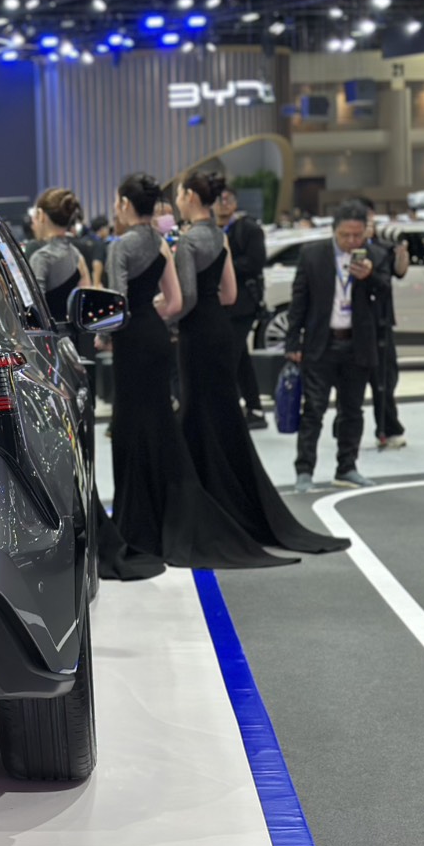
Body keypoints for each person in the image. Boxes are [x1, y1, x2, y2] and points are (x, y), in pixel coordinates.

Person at [106, 172, 291, 571]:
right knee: (211, 416)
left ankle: (145, 513)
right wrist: (162, 316)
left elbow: (140, 305)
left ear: (124, 204)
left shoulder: (154, 244)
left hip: (158, 337)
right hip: (213, 330)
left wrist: (128, 324)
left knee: (147, 422)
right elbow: (228, 295)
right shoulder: (202, 238)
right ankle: (222, 495)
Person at [175, 171, 349, 554]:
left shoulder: (188, 241)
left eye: (180, 194)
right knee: (223, 415)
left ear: (190, 196)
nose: (177, 200)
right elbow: (229, 294)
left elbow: (185, 299)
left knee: (197, 413)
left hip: (196, 334)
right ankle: (234, 496)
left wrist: (161, 312)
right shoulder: (219, 237)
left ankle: (204, 499)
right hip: (220, 328)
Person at [285, 200, 392, 492]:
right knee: (313, 410)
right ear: (334, 231)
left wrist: (369, 276)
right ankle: (304, 470)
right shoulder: (312, 255)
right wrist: (293, 341)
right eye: (346, 235)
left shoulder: (375, 256)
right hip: (321, 344)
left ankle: (347, 467)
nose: (352, 241)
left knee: (352, 411)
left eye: (358, 235)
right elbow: (299, 301)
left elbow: (386, 295)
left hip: (358, 345)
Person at [214, 184, 269, 429]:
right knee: (240, 357)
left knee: (230, 356)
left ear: (235, 203)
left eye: (227, 200)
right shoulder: (212, 230)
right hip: (222, 304)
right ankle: (254, 408)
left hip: (244, 303)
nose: (222, 204)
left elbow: (256, 261)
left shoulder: (249, 229)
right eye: (218, 200)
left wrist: (224, 267)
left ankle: (230, 412)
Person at [361, 201, 410, 450]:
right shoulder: (348, 248)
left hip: (381, 321)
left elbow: (399, 272)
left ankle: (389, 427)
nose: (370, 225)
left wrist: (402, 253)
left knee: (386, 378)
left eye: (372, 219)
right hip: (357, 322)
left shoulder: (383, 247)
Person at [26, 187, 91, 317]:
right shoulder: (77, 256)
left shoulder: (41, 258)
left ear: (41, 215)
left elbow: (36, 311)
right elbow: (85, 304)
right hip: (73, 330)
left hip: (51, 330)